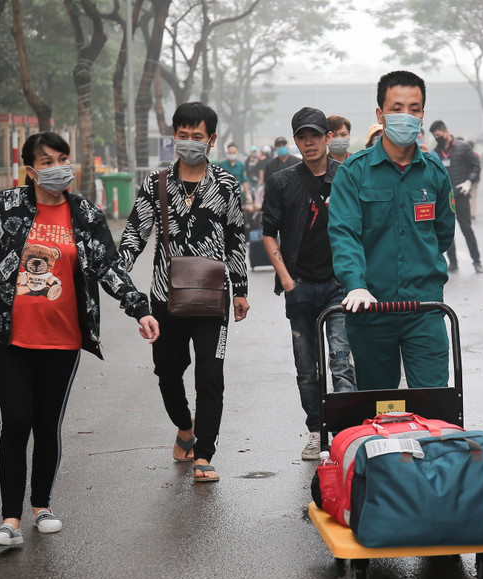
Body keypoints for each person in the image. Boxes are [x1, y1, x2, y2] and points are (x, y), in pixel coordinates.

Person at [0, 131, 159, 548]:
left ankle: (41, 507)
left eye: (63, 158)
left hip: (61, 341)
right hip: (8, 337)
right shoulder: (4, 206)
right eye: (47, 161)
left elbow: (108, 267)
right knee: (18, 421)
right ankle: (9, 521)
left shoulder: (84, 213)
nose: (58, 167)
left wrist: (140, 308)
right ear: (29, 169)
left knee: (47, 424)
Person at [119, 102, 249, 483]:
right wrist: (115, 272)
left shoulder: (226, 184)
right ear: (174, 137)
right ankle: (185, 429)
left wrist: (239, 289)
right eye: (183, 135)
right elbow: (134, 234)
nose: (190, 142)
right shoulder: (156, 183)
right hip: (165, 298)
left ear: (211, 140)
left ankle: (204, 454)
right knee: (167, 371)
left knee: (211, 375)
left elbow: (236, 237)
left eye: (198, 136)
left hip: (214, 299)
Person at [329, 70, 456, 391]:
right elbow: (344, 234)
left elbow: (443, 233)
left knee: (434, 402)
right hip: (370, 307)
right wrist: (355, 284)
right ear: (380, 115)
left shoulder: (435, 173)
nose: (406, 116)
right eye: (397, 108)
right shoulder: (354, 173)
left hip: (425, 309)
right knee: (378, 406)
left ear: (423, 114)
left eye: (414, 109)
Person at [261, 107, 356, 459]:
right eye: (302, 136)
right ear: (296, 140)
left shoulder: (346, 176)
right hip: (299, 284)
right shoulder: (282, 182)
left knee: (342, 359)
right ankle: (317, 431)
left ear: (328, 137)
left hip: (338, 285)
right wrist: (286, 279)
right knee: (306, 368)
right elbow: (269, 234)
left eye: (315, 135)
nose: (309, 142)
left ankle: (347, 433)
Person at [429, 121, 483, 273]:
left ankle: (477, 261)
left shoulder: (463, 148)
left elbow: (476, 166)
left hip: (461, 195)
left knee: (467, 229)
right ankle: (453, 262)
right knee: (447, 232)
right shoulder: (436, 153)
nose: (438, 138)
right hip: (444, 199)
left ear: (446, 131)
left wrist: (469, 181)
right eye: (435, 137)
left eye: (439, 135)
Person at [218, 142, 253, 209]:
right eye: (230, 152)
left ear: (237, 153)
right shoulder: (221, 165)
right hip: (224, 197)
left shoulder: (241, 166)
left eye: (234, 152)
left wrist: (248, 194)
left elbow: (244, 181)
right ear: (227, 152)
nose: (232, 154)